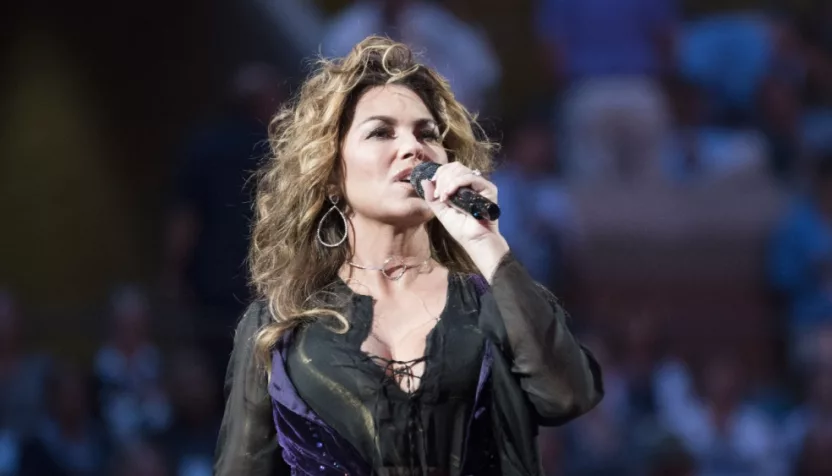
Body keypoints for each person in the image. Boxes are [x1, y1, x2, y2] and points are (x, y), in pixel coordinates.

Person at [214, 36, 603, 476]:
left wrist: (486, 245)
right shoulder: (280, 326)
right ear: (330, 175)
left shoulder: (495, 300)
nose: (413, 147)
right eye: (381, 132)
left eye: (427, 133)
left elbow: (569, 394)